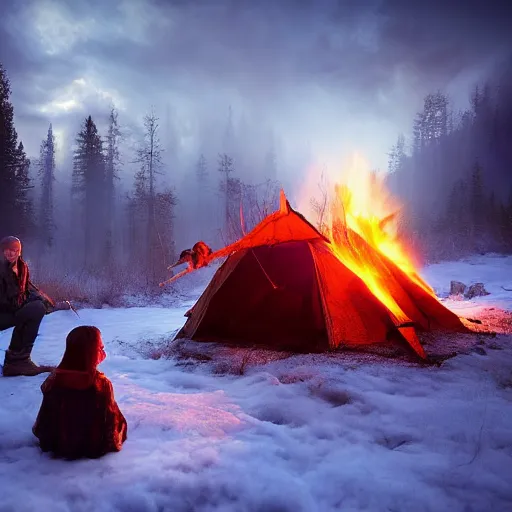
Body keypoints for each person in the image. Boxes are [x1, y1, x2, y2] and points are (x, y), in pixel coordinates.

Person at [32, 325, 127, 459]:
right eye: (100, 347)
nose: (102, 350)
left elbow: (47, 418)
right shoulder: (100, 383)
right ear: (91, 352)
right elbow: (110, 422)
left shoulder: (54, 379)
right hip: (91, 446)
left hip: (56, 444)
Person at [0, 235, 66, 376]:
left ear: (19, 251)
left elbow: (26, 290)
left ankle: (16, 361)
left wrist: (42, 299)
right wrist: (23, 304)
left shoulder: (22, 267)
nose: (9, 253)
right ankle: (18, 361)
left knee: (37, 307)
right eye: (6, 250)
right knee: (35, 309)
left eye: (13, 250)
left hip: (12, 310)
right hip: (2, 313)